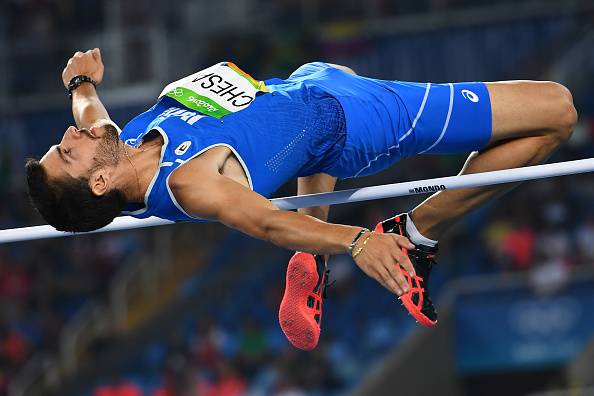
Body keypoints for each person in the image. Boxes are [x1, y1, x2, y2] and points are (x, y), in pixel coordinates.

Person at [26, 48, 577, 351]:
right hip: (359, 120)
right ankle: (413, 233)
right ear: (99, 185)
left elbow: (89, 115)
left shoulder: (115, 148)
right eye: (67, 152)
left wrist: (80, 83)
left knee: (307, 129)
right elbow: (265, 221)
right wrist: (357, 241)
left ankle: (310, 264)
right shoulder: (188, 182)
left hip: (306, 83)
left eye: (62, 141)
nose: (72, 136)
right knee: (557, 112)